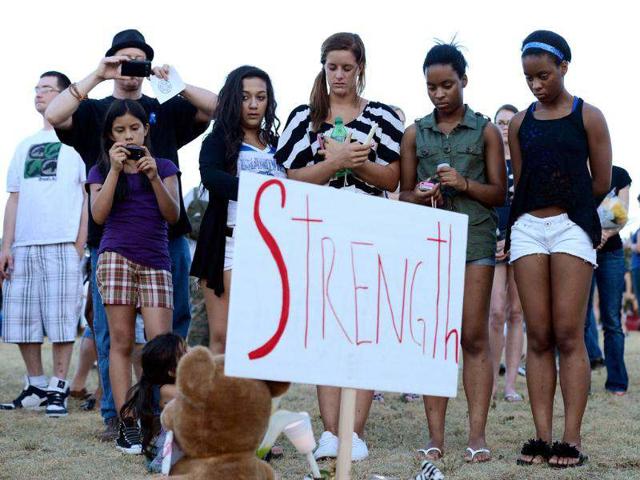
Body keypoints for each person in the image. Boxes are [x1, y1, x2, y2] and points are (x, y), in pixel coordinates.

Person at [45, 29, 216, 441]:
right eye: (124, 59)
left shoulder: (164, 109)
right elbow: (53, 114)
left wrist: (172, 81)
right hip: (112, 241)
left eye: (138, 61)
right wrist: (98, 75)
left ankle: (167, 418)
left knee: (172, 331)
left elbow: (216, 108)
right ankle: (118, 418)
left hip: (166, 238)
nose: (131, 68)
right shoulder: (95, 110)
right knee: (111, 334)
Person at [275, 32, 403, 462]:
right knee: (325, 333)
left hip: (369, 234)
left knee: (363, 332)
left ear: (361, 68)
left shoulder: (383, 117)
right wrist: (332, 164)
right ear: (323, 67)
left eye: (347, 68)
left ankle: (356, 431)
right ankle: (331, 432)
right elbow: (288, 178)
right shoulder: (301, 117)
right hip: (316, 234)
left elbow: (394, 179)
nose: (339, 75)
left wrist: (359, 163)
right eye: (332, 67)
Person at [507, 30, 611, 467]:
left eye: (544, 75)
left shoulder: (589, 116)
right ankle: (541, 437)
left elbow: (601, 181)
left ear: (565, 67)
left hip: (571, 228)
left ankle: (570, 439)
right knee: (540, 334)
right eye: (529, 77)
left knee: (570, 333)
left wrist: (574, 213)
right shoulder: (519, 122)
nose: (536, 85)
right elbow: (523, 180)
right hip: (528, 228)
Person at [399, 42, 506, 463]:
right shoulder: (415, 133)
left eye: (447, 85)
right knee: (434, 341)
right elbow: (404, 194)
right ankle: (435, 437)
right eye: (431, 87)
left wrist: (463, 185)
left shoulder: (487, 131)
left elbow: (498, 193)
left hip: (476, 238)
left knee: (473, 336)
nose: (439, 94)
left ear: (464, 80)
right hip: (428, 243)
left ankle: (477, 435)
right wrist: (423, 195)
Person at [86, 99, 180, 454]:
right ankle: (128, 424)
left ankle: (162, 421)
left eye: (134, 128)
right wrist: (113, 170)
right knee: (120, 342)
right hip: (115, 259)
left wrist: (154, 176)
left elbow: (172, 215)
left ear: (146, 129)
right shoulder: (99, 169)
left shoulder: (165, 166)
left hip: (156, 261)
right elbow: (98, 215)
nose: (128, 135)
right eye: (120, 130)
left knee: (162, 350)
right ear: (110, 135)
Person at [0, 71, 87, 417]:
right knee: (22, 319)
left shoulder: (77, 142)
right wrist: (6, 246)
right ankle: (35, 384)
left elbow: (85, 197)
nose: (38, 94)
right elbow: (14, 199)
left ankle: (58, 386)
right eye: (36, 89)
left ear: (66, 94)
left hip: (62, 244)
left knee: (62, 319)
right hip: (23, 246)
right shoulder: (24, 145)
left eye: (47, 89)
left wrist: (79, 245)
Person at [191, 65, 282, 354]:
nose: (254, 104)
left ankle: (253, 398)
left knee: (261, 333)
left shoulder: (278, 145)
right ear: (233, 99)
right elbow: (211, 176)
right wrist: (259, 193)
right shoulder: (218, 140)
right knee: (224, 336)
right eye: (245, 97)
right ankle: (220, 399)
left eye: (261, 97)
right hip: (228, 243)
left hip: (271, 247)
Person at [583, 165, 630, 393]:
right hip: (580, 249)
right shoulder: (575, 171)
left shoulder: (619, 175)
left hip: (611, 252)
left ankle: (617, 381)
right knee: (580, 319)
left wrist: (605, 234)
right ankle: (582, 382)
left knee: (612, 318)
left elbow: (622, 214)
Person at [489, 104, 525, 402]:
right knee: (496, 311)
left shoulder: (526, 159)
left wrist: (513, 238)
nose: (503, 126)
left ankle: (510, 384)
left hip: (522, 241)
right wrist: (496, 239)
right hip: (493, 241)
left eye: (508, 122)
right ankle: (487, 381)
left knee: (516, 312)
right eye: (499, 121)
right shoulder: (488, 161)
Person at [119, 333, 186, 468]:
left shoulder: (161, 386)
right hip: (165, 453)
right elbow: (201, 397)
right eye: (184, 352)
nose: (190, 352)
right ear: (172, 371)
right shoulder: (166, 390)